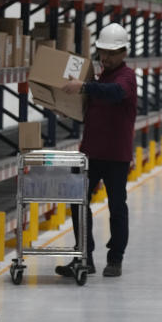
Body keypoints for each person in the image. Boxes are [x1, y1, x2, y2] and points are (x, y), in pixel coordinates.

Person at [54, 22, 137, 278]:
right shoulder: (98, 77)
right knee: (78, 203)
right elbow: (90, 109)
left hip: (116, 156)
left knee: (117, 207)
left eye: (111, 53)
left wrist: (84, 87)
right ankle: (84, 257)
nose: (106, 58)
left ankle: (115, 259)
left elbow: (116, 93)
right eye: (102, 52)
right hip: (90, 153)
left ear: (124, 52)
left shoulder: (126, 77)